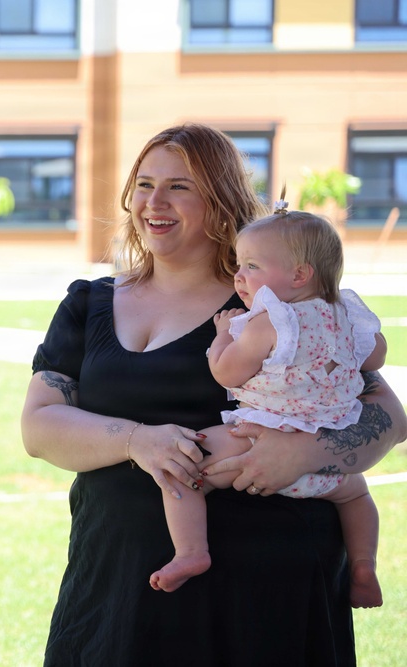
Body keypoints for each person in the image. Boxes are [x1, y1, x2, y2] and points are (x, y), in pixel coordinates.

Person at [20, 123, 406, 666]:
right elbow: (39, 427)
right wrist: (137, 441)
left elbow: (388, 414)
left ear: (222, 202)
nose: (155, 202)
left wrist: (306, 452)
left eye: (180, 187)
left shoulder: (276, 304)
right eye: (145, 184)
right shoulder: (89, 303)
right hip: (117, 581)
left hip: (268, 590)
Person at [149, 203, 386, 609]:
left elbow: (227, 373)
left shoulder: (270, 321)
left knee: (180, 471)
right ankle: (363, 566)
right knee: (357, 497)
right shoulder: (347, 316)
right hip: (327, 457)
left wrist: (223, 335)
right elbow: (376, 356)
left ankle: (191, 552)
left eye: (252, 266)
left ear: (299, 274)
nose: (240, 276)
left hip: (255, 439)